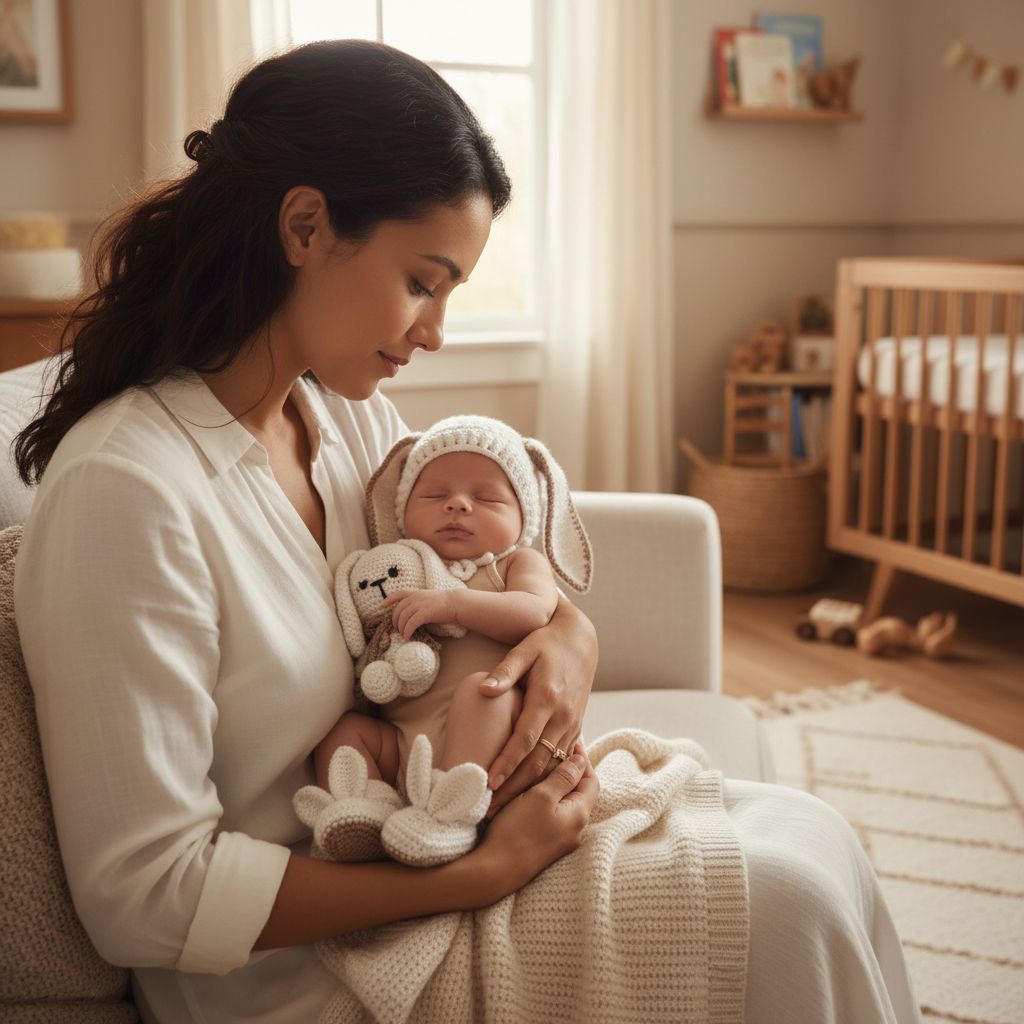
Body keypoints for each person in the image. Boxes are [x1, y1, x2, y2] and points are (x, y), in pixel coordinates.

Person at [12, 38, 920, 1024]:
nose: (435, 329)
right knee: (785, 904)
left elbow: (495, 560)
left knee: (812, 839)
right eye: (423, 280)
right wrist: (475, 874)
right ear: (305, 225)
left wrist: (570, 635)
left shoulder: (344, 420)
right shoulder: (126, 487)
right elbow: (142, 896)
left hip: (438, 847)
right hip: (307, 961)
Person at [303, 414, 593, 868]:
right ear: (401, 513)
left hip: (492, 739)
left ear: (524, 518)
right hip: (401, 746)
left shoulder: (515, 564)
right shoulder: (401, 567)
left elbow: (536, 612)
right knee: (342, 733)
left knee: (484, 689)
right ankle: (365, 809)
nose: (457, 505)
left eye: (487, 497)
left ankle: (449, 818)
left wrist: (453, 605)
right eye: (435, 495)